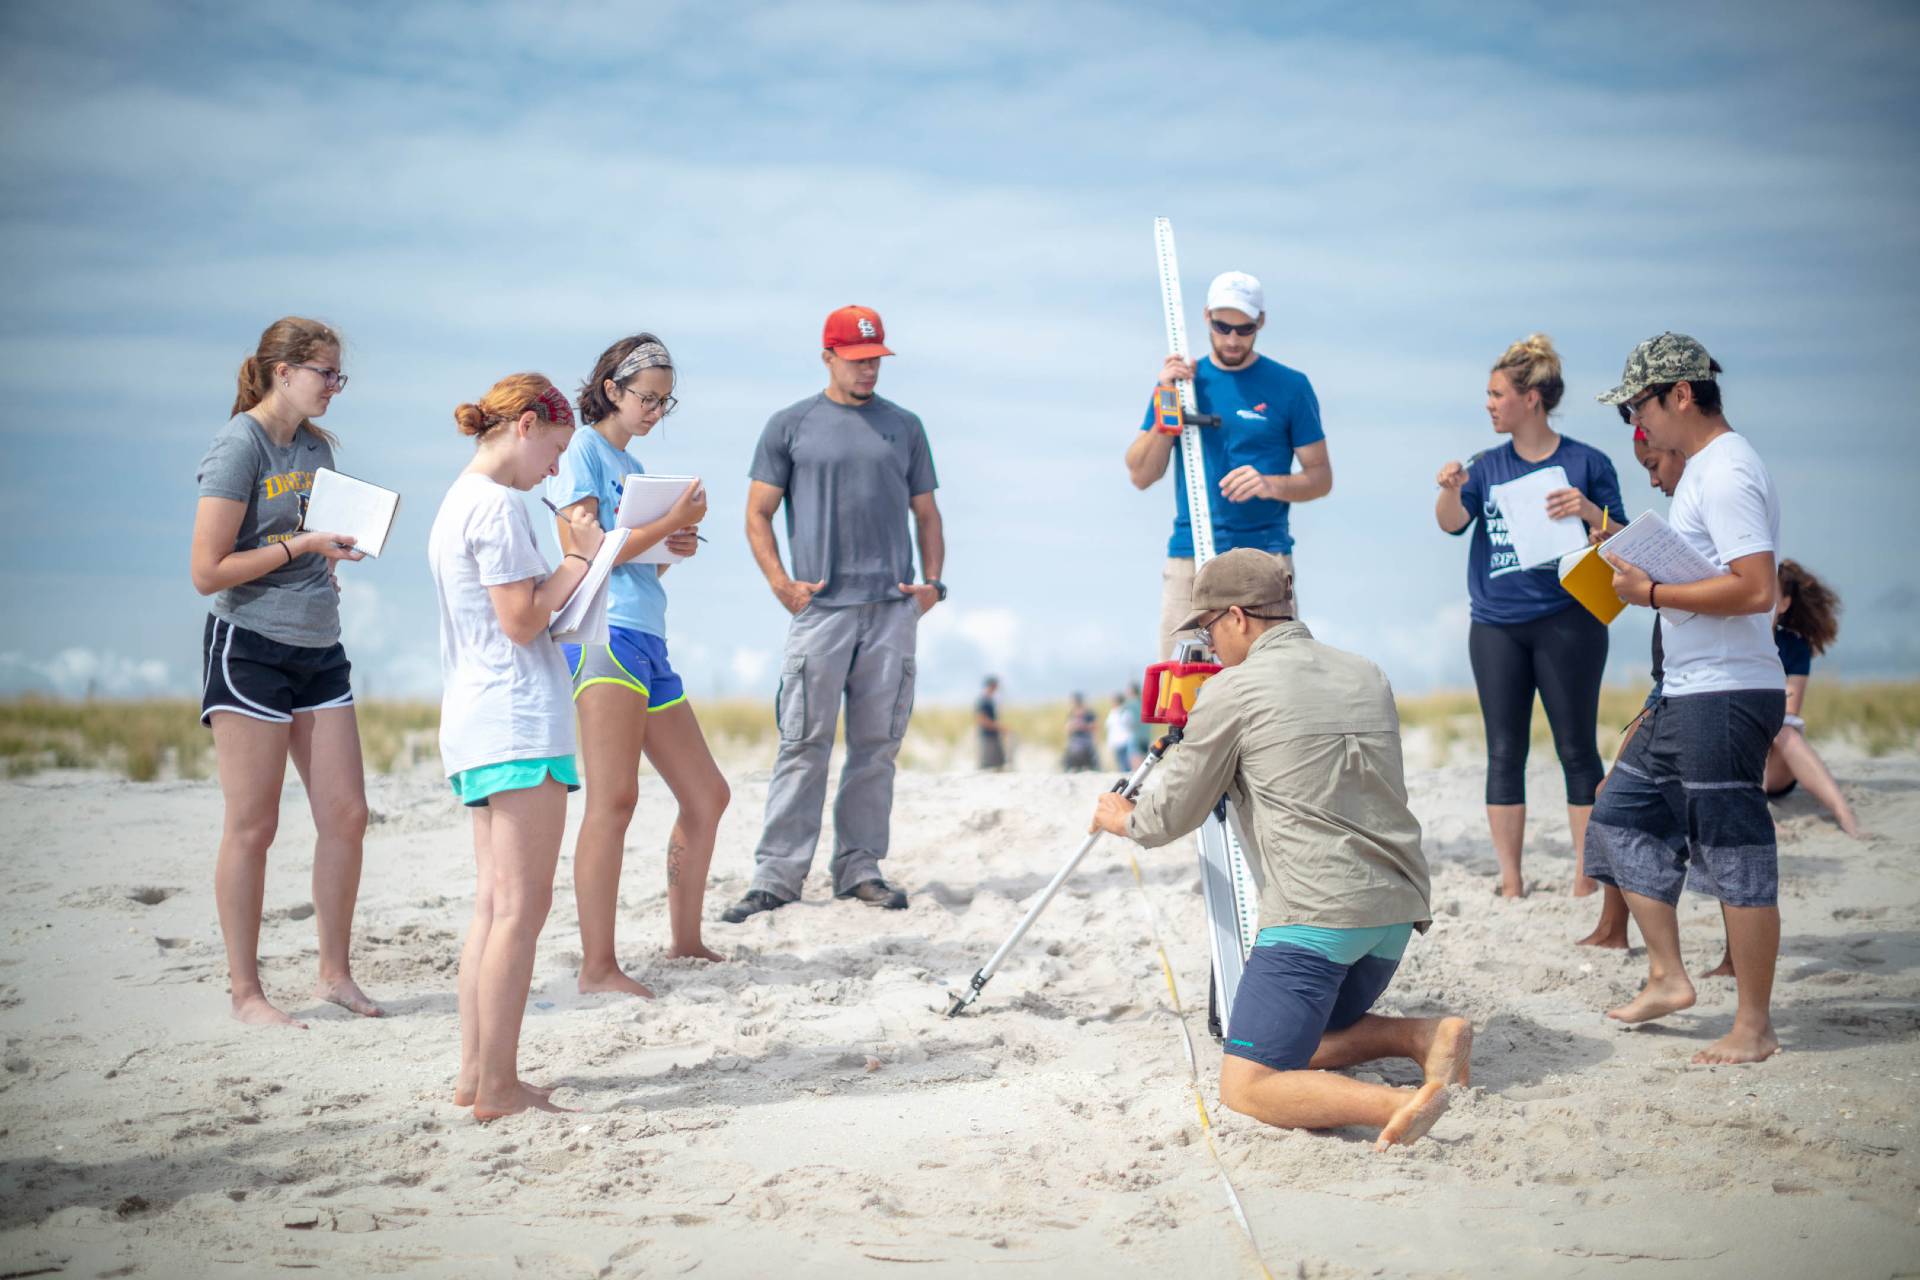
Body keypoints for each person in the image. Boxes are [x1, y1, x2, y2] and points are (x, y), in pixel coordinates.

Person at [1091, 550, 1471, 1150]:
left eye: (1209, 629)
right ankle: (1424, 1037)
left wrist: (1123, 819)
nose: (1211, 647)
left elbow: (1169, 816)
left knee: (1247, 1082)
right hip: (1396, 908)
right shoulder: (1366, 672)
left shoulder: (1234, 690)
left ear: (1237, 617)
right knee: (1287, 1036)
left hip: (1317, 915)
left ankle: (1397, 1104)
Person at [1587, 333, 1787, 1065]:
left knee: (1736, 853)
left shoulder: (1727, 470)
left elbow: (1757, 589)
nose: (1635, 425)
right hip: (1689, 689)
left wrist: (1652, 593)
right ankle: (1669, 977)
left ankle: (1754, 1026)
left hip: (1727, 692)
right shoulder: (1703, 470)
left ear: (1680, 394)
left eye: (1637, 407)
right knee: (1619, 815)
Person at [190, 316, 382, 1029]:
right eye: (326, 373)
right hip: (250, 645)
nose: (335, 386)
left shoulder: (315, 448)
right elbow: (207, 571)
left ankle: (334, 975)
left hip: (319, 646)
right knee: (254, 824)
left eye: (338, 375)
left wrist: (328, 555)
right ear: (284, 371)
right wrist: (301, 547)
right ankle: (246, 993)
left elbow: (306, 538)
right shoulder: (238, 445)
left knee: (347, 814)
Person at [725, 306, 944, 921]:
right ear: (828, 357)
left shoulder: (905, 426)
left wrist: (932, 586)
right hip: (820, 611)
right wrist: (780, 583)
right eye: (856, 359)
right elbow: (757, 513)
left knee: (876, 748)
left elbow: (927, 514)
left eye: (875, 359)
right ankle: (776, 876)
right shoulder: (789, 425)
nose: (868, 369)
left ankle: (859, 869)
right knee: (803, 742)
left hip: (891, 611)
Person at [428, 374, 602, 1119]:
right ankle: (497, 1085)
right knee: (519, 911)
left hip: (478, 718)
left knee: (494, 906)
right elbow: (522, 620)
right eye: (555, 449)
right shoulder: (498, 504)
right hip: (516, 719)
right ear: (526, 425)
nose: (557, 469)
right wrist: (580, 560)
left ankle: (477, 1075)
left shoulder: (458, 498)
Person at [548, 334, 726, 999]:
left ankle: (685, 941)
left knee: (707, 794)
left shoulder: (632, 463)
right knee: (614, 798)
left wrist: (673, 543)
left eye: (663, 402)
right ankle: (597, 966)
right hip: (603, 634)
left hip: (647, 633)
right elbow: (591, 551)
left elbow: (636, 560)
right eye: (646, 398)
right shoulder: (581, 450)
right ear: (612, 390)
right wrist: (667, 522)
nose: (654, 411)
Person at [1434, 335, 1625, 899]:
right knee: (1503, 752)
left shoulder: (1588, 463)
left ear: (1532, 399)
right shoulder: (1485, 466)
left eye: (1498, 395)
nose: (1489, 404)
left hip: (1570, 621)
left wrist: (1588, 511)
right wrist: (1450, 491)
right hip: (1495, 625)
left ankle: (1586, 880)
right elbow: (1451, 524)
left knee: (1577, 749)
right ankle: (1511, 882)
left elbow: (1623, 540)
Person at [1125, 271, 1332, 658]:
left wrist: (1270, 484)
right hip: (1189, 554)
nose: (1233, 339)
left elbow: (1321, 477)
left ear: (1261, 322)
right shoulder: (1180, 385)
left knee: (1274, 675)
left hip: (1264, 557)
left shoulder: (1291, 387)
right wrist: (1166, 403)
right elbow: (1140, 474)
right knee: (1180, 681)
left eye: (1244, 328)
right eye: (1223, 327)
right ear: (1207, 317)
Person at [1578, 427, 1685, 951]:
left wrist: (1643, 582)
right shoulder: (1690, 504)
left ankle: (1732, 957)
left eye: (1653, 464)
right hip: (1665, 683)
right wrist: (1619, 554)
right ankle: (1611, 928)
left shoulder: (1715, 496)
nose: (1652, 479)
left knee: (1706, 827)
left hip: (1690, 688)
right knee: (1610, 797)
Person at [1764, 560, 1860, 836]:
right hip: (1738, 762)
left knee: (1785, 730)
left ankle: (1845, 815)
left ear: (1784, 603)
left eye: (1769, 592)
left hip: (1776, 766)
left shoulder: (1794, 647)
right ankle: (1761, 817)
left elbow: (1791, 709)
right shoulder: (1731, 641)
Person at [975, 676, 1007, 771]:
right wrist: (999, 727)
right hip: (987, 736)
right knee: (988, 765)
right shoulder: (983, 701)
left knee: (998, 763)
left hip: (993, 735)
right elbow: (982, 720)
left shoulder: (990, 700)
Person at [1062, 692, 1098, 772]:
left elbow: (1095, 726)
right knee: (1071, 757)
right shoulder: (1071, 713)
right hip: (1074, 740)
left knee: (1088, 758)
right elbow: (1067, 728)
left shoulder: (1088, 713)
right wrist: (1072, 727)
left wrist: (1083, 726)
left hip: (1085, 739)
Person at [1105, 692, 1136, 772]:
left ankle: (1127, 772)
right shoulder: (1113, 712)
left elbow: (1130, 724)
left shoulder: (1124, 712)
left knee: (1125, 761)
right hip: (1117, 740)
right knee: (1121, 761)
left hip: (1124, 740)